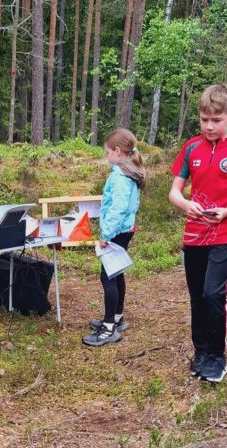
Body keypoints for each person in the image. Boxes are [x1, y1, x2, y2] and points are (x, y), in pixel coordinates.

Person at [169, 84, 227, 383]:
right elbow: (174, 192)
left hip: (225, 232)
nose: (209, 126)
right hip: (194, 233)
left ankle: (218, 355)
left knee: (213, 293)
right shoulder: (191, 148)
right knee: (197, 295)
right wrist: (186, 204)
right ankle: (201, 352)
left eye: (216, 120)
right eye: (204, 119)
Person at [83, 128, 146, 347]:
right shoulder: (129, 172)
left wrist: (106, 235)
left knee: (107, 276)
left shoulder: (120, 176)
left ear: (118, 151)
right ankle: (117, 318)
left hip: (117, 231)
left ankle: (109, 328)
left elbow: (118, 209)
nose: (106, 155)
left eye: (108, 152)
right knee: (116, 273)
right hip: (125, 229)